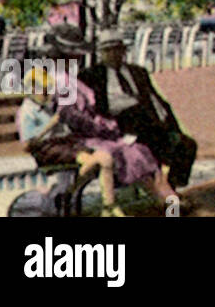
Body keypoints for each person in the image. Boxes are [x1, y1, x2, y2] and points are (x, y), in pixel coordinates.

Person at [19, 68, 178, 216]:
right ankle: (93, 201)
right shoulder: (28, 112)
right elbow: (28, 145)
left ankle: (163, 201)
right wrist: (50, 126)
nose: (47, 95)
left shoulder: (50, 103)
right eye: (43, 91)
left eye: (48, 91)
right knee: (105, 158)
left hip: (69, 143)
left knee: (133, 152)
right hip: (50, 148)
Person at [80, 31, 197, 191]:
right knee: (143, 140)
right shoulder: (90, 75)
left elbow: (157, 101)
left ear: (124, 51)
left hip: (146, 123)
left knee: (185, 144)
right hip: (117, 125)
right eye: (108, 50)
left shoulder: (138, 72)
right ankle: (164, 193)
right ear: (101, 53)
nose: (113, 54)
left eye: (117, 49)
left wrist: (171, 125)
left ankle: (171, 186)